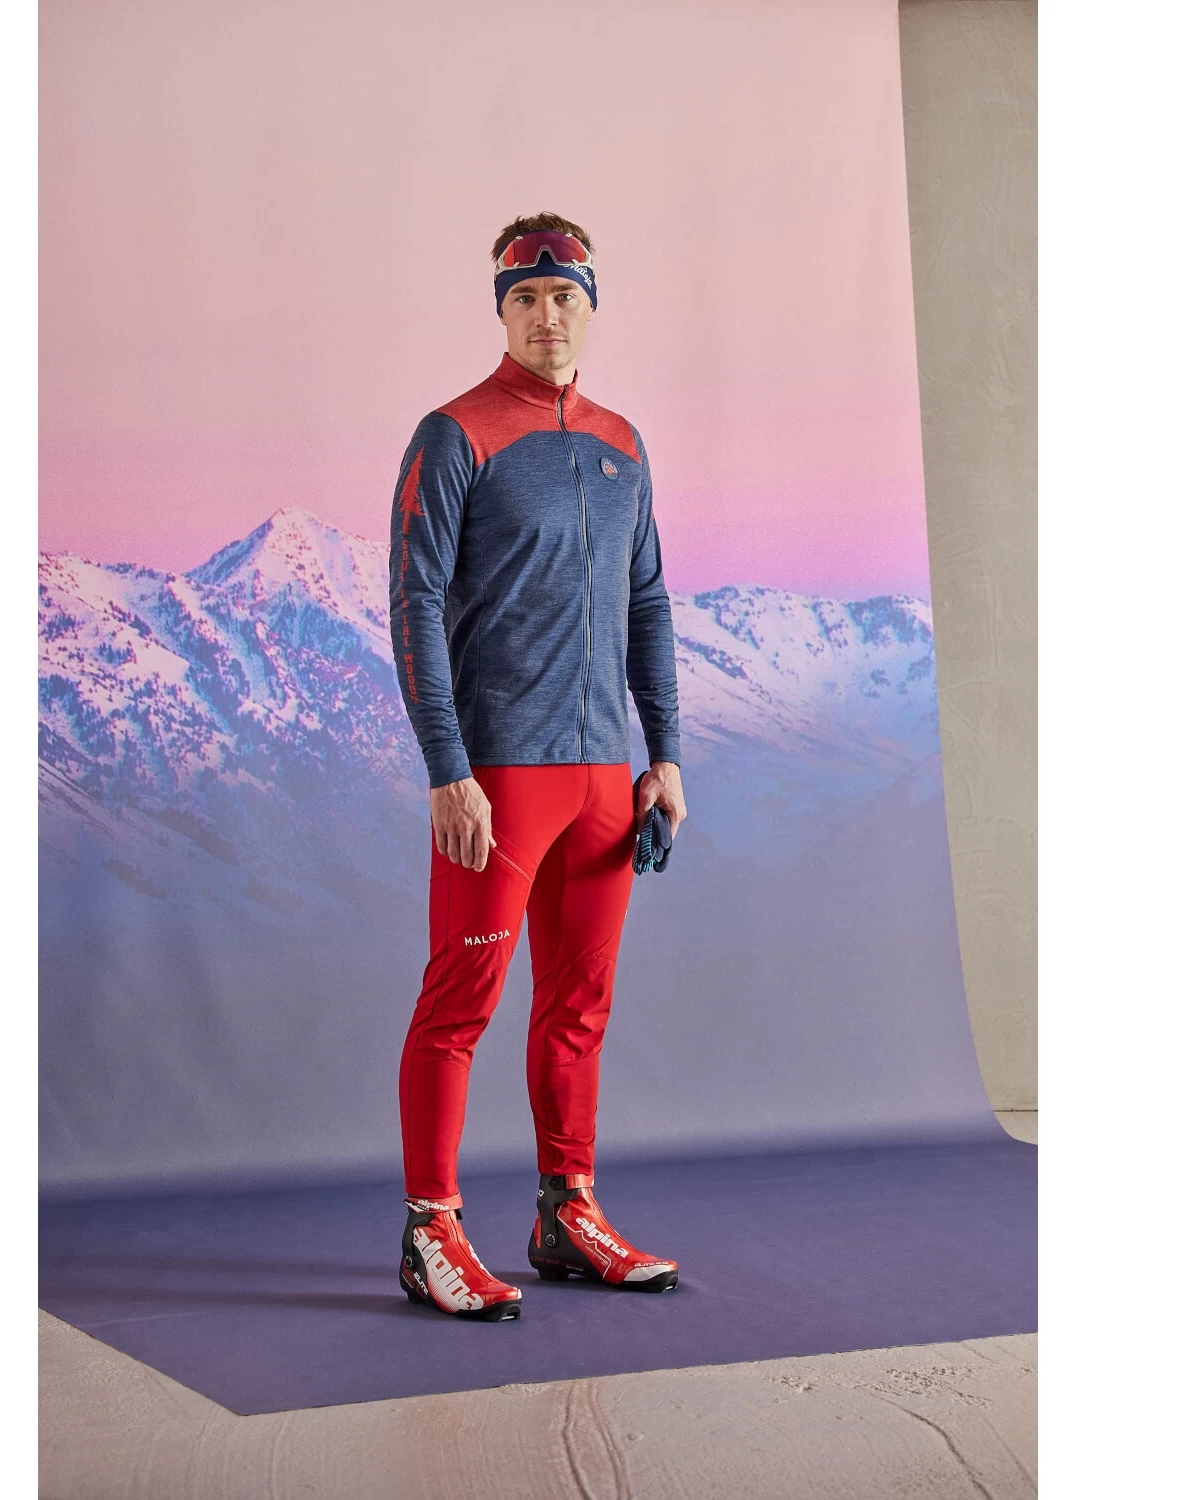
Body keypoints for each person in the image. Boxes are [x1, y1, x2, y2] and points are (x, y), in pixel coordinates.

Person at [390, 212, 687, 1321]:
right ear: (502, 311)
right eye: (525, 298)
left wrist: (665, 755)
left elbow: (648, 602)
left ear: (590, 305)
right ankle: (430, 1230)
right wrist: (447, 768)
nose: (546, 315)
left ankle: (567, 1213)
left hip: (606, 774)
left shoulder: (623, 444)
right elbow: (413, 603)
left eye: (565, 296)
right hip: (499, 775)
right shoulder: (454, 434)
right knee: (459, 1001)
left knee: (578, 1006)